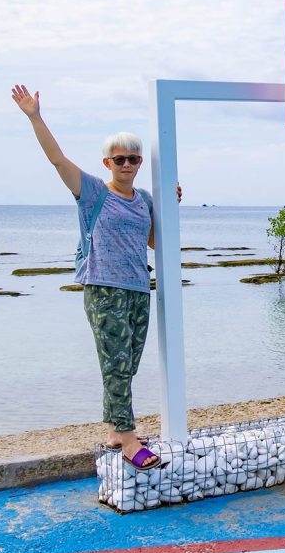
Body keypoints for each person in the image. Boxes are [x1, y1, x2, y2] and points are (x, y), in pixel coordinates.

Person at [11, 84, 180, 470]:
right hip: (104, 289)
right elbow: (57, 159)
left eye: (133, 159)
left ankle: (113, 431)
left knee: (128, 363)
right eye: (119, 159)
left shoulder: (145, 201)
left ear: (139, 163)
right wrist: (35, 117)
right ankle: (129, 441)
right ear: (107, 163)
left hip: (139, 288)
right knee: (116, 363)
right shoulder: (91, 193)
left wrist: (171, 206)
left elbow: (153, 242)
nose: (126, 165)